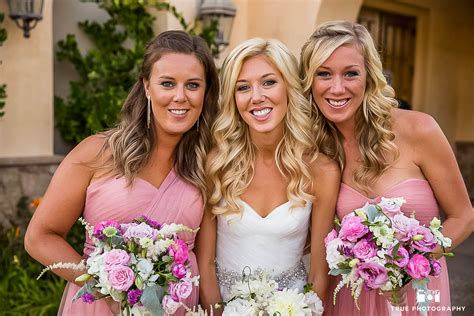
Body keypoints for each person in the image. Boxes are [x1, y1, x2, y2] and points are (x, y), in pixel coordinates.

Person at [24, 30, 219, 315]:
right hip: (101, 307)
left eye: (192, 85)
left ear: (205, 92)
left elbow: (206, 264)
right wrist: (107, 288)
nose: (180, 96)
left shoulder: (208, 165)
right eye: (167, 83)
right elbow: (39, 237)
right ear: (147, 87)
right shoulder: (96, 153)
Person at [300, 20, 473, 316]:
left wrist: (405, 263)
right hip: (348, 299)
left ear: (369, 77)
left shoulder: (420, 130)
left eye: (351, 73)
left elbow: (463, 216)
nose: (337, 87)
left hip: (416, 295)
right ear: (309, 81)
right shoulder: (312, 150)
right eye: (324, 74)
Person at [195, 38, 340, 314]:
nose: (256, 97)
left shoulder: (322, 172)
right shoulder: (216, 162)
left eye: (269, 82)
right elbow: (205, 264)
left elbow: (320, 275)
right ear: (233, 98)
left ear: (289, 87)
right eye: (243, 87)